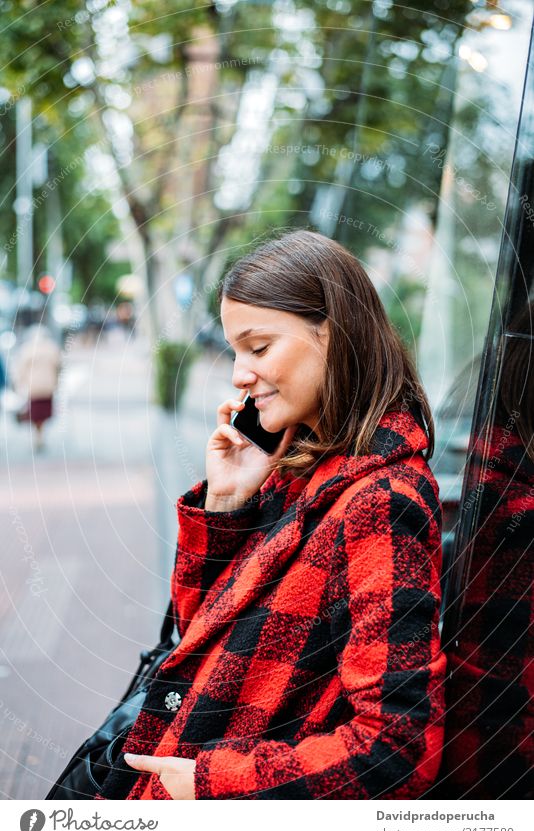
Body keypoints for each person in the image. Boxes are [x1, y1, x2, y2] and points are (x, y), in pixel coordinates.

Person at [95, 229, 447, 800]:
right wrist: (227, 503)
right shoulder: (298, 467)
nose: (239, 373)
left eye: (258, 349)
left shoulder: (382, 501)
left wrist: (212, 788)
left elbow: (393, 751)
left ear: (335, 336)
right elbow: (197, 634)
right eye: (236, 351)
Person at [12, 324, 61, 452]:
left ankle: (38, 436)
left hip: (33, 387)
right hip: (48, 387)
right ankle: (40, 435)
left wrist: (19, 384)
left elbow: (20, 369)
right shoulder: (52, 348)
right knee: (42, 413)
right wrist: (57, 383)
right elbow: (59, 367)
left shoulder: (27, 349)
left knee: (36, 413)